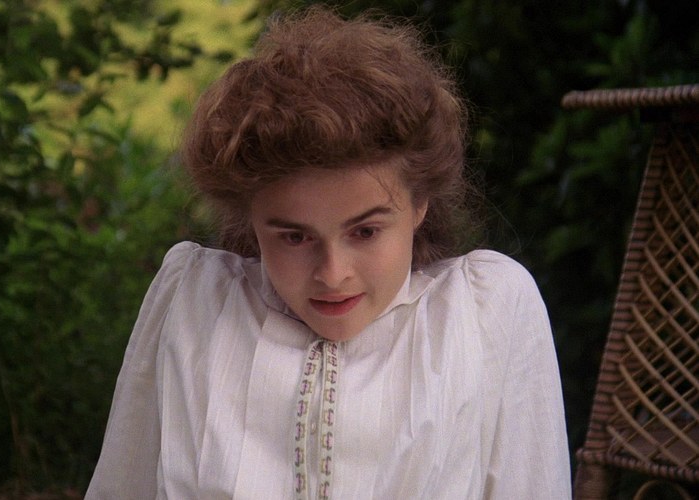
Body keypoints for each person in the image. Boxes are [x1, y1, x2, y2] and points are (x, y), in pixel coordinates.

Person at [86, 7, 570, 499]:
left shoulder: (485, 311)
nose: (333, 274)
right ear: (251, 217)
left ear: (419, 203)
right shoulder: (194, 302)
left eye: (366, 231)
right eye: (295, 237)